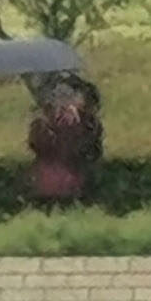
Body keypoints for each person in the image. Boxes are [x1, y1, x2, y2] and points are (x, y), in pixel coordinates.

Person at [27, 74, 104, 207]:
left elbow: (89, 148)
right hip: (52, 179)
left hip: (67, 179)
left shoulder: (83, 121)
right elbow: (39, 144)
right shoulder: (49, 119)